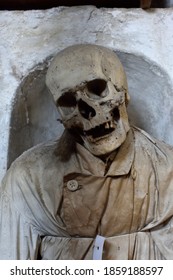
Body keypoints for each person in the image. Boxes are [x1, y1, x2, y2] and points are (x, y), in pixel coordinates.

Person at [1, 44, 173, 260]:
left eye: (98, 90)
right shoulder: (28, 179)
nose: (87, 112)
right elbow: (11, 263)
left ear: (123, 92)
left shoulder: (166, 170)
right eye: (68, 102)